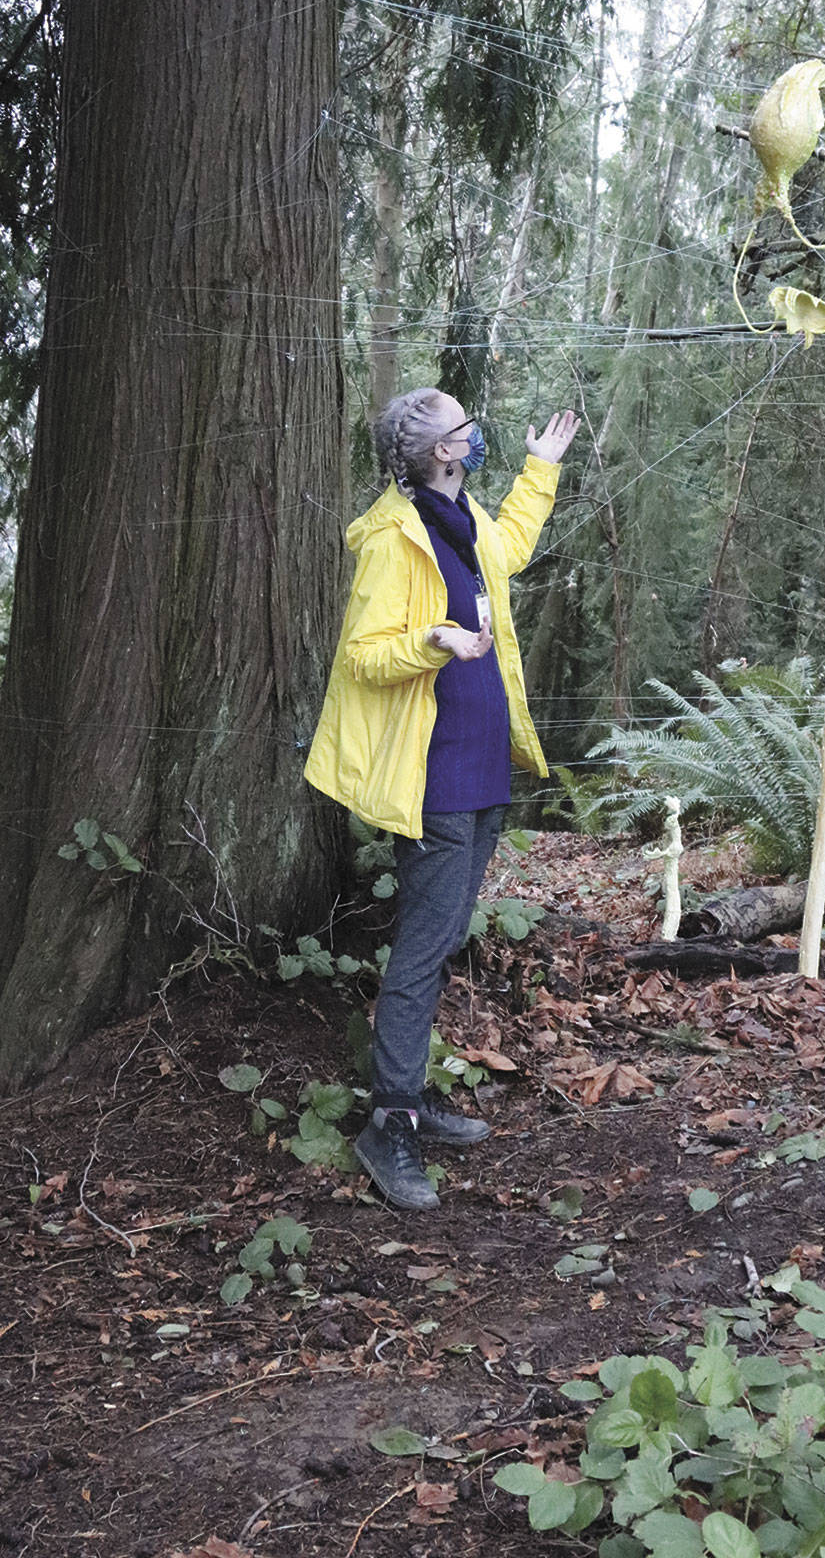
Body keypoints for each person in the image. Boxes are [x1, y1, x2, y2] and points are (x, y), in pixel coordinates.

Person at [305, 387, 579, 1210]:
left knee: (447, 932)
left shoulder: (463, 522)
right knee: (423, 948)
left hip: (484, 764)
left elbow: (514, 551)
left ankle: (411, 1097)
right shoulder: (397, 538)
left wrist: (540, 469)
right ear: (441, 453)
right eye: (467, 426)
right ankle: (388, 1123)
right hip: (433, 777)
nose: (476, 430)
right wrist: (433, 641)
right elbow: (363, 656)